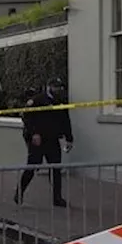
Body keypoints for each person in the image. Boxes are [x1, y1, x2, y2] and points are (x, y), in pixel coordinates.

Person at [15, 77, 73, 207]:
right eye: (56, 87)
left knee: (56, 168)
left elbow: (65, 120)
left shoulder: (60, 101)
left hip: (52, 139)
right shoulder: (38, 100)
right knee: (33, 166)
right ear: (49, 87)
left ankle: (57, 198)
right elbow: (27, 117)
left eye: (60, 87)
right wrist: (34, 133)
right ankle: (19, 193)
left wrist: (69, 138)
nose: (59, 89)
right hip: (38, 140)